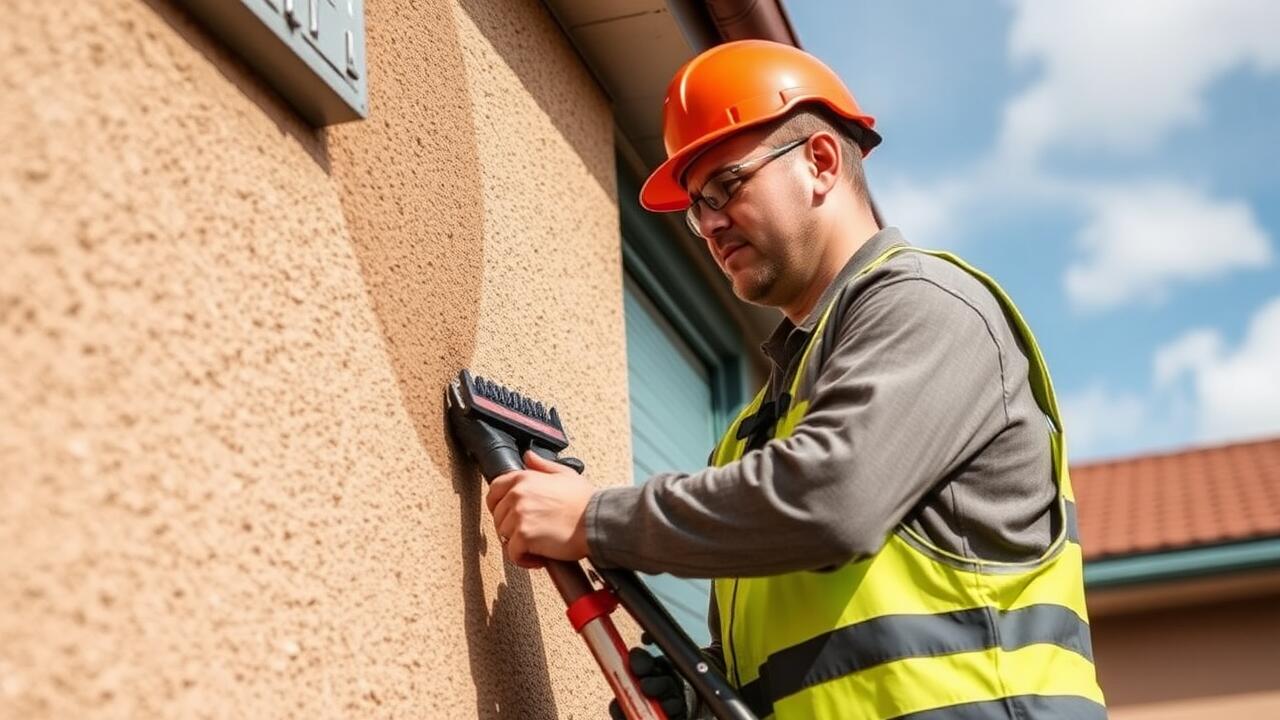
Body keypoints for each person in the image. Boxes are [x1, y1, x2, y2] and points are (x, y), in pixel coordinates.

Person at [485, 40, 1106, 719]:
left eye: (727, 186)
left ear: (820, 162)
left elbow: (832, 499)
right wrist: (698, 697)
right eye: (697, 208)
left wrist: (593, 519)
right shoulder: (751, 435)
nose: (710, 223)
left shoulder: (928, 306)